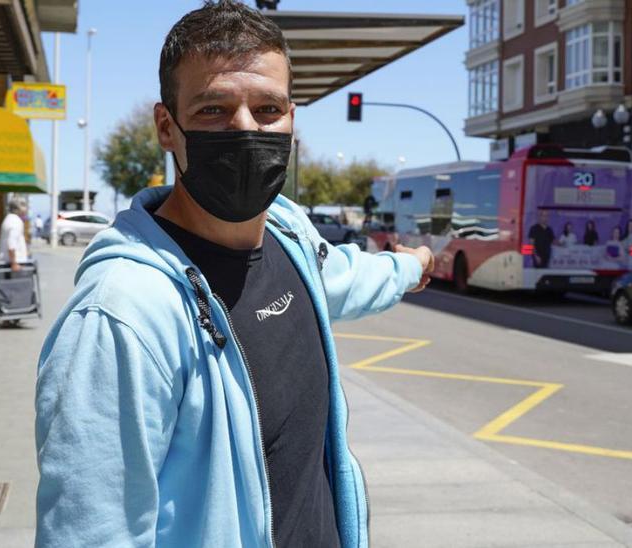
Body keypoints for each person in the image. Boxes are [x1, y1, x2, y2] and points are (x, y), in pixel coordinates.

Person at [34, 3, 435, 547]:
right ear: (165, 128)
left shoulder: (290, 238)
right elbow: (90, 532)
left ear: (292, 120)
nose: (245, 129)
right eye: (213, 110)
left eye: (268, 109)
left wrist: (412, 266)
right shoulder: (120, 313)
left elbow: (345, 278)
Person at [0, 198, 29, 272]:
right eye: (24, 206)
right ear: (18, 208)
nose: (26, 209)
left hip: (7, 262)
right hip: (13, 264)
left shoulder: (9, 219)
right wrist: (14, 263)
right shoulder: (15, 222)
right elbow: (11, 244)